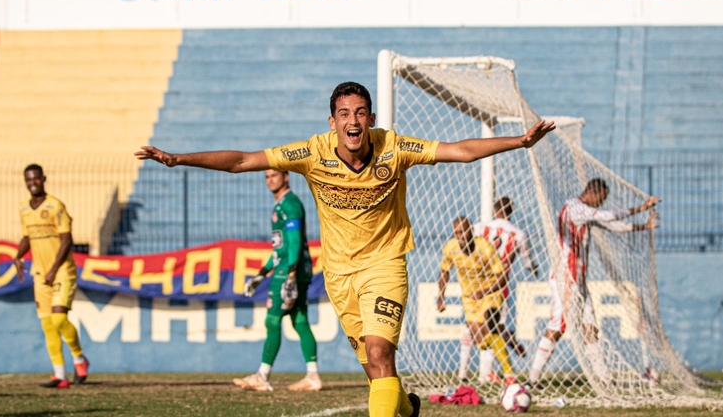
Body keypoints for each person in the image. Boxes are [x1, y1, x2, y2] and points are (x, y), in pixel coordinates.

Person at [135, 81, 554, 417]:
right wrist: (177, 158)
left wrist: (519, 141)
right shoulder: (312, 153)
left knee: (379, 352)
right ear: (333, 121)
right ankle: (406, 408)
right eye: (343, 114)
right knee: (375, 371)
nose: (352, 121)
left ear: (370, 119)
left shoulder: (394, 147)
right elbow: (243, 161)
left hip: (384, 265)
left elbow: (460, 152)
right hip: (338, 275)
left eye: (359, 113)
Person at [526, 178, 659, 390]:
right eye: (602, 199)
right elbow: (606, 216)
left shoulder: (584, 213)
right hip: (566, 278)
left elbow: (612, 224)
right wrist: (640, 208)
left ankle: (605, 380)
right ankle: (533, 378)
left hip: (578, 280)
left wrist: (643, 226)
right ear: (594, 193)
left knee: (590, 326)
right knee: (559, 325)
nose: (601, 203)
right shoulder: (575, 208)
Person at [232, 168, 321, 392]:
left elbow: (294, 243)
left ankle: (262, 376)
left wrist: (290, 274)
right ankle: (312, 376)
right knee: (300, 321)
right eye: (267, 176)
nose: (270, 180)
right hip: (291, 269)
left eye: (274, 175)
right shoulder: (281, 205)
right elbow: (279, 251)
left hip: (289, 272)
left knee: (272, 321)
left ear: (286, 177)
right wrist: (260, 275)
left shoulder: (289, 204)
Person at [12, 164, 89, 388]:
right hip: (39, 273)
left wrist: (54, 269)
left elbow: (67, 240)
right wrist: (18, 256)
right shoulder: (24, 208)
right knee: (47, 324)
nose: (32, 182)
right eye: (28, 179)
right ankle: (60, 375)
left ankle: (79, 358)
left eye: (36, 178)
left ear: (43, 179)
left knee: (58, 319)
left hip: (61, 271)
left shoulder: (55, 205)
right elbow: (27, 236)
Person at [436, 216, 516, 387]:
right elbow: (444, 272)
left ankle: (509, 375)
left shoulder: (485, 247)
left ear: (471, 231)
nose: (460, 235)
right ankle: (504, 338)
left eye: (463, 231)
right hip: (470, 298)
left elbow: (502, 277)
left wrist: (484, 291)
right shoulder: (450, 248)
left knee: (490, 325)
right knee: (482, 340)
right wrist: (441, 297)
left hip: (490, 294)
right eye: (457, 232)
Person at [470, 197, 538, 377]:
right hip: (499, 286)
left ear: (496, 210)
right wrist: (534, 268)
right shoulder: (518, 234)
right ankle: (488, 371)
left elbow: (466, 242)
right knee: (495, 325)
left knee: (473, 323)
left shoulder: (480, 227)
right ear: (511, 212)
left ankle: (465, 372)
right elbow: (528, 261)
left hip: (478, 281)